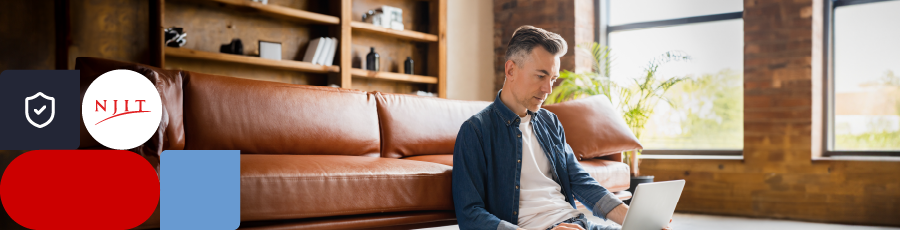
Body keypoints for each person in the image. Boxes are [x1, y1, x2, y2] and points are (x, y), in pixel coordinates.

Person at [451, 25, 673, 230]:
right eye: (541, 76)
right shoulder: (476, 131)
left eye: (553, 79)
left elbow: (579, 180)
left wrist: (634, 218)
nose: (548, 88)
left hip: (578, 225)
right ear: (510, 70)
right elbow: (470, 214)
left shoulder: (550, 122)